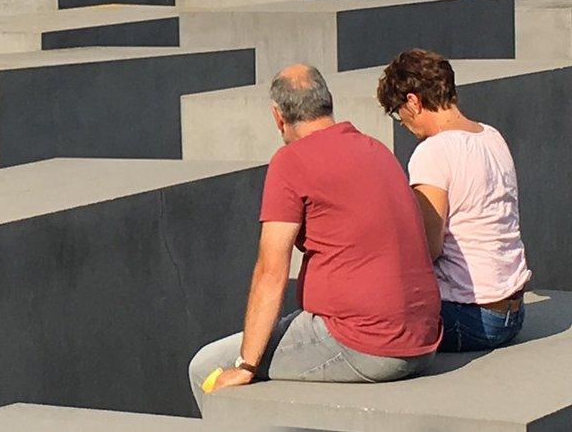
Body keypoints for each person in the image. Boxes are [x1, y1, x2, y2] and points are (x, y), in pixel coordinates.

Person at [188, 64, 441, 411]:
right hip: (423, 338)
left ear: (279, 117)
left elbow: (270, 272)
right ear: (327, 103)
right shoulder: (375, 148)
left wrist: (246, 364)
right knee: (290, 326)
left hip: (364, 343)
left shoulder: (291, 161)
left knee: (206, 366)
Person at [377, 49, 531, 353]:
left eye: (398, 113)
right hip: (512, 314)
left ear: (413, 101)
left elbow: (428, 247)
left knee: (363, 320)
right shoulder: (491, 136)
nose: (403, 124)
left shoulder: (433, 152)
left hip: (469, 317)